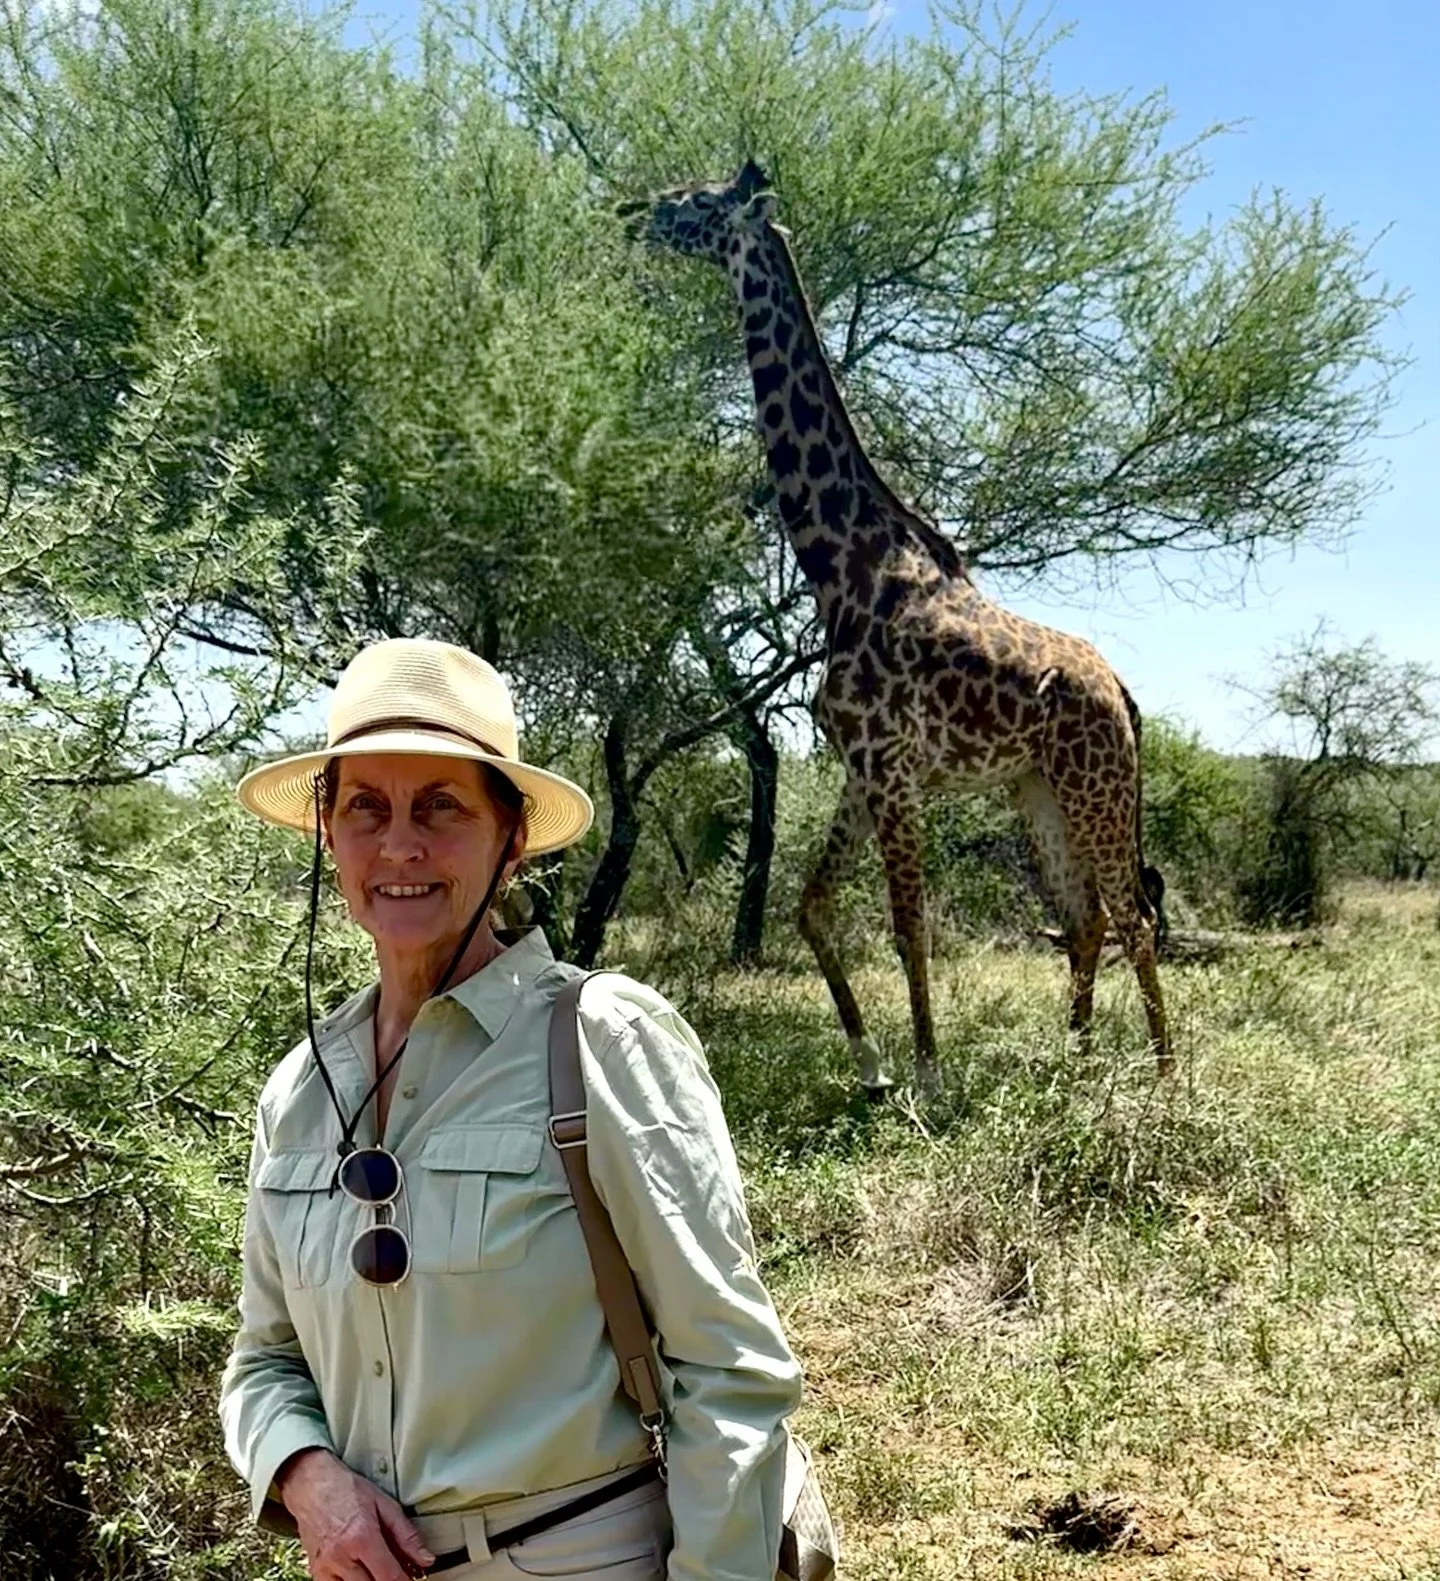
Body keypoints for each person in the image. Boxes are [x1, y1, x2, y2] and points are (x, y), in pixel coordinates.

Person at [220, 637, 803, 1581]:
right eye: (365, 806)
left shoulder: (599, 1039)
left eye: (440, 805)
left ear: (512, 835)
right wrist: (306, 1474)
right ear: (327, 832)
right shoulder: (299, 1088)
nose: (399, 844)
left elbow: (729, 1370)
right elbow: (263, 1360)